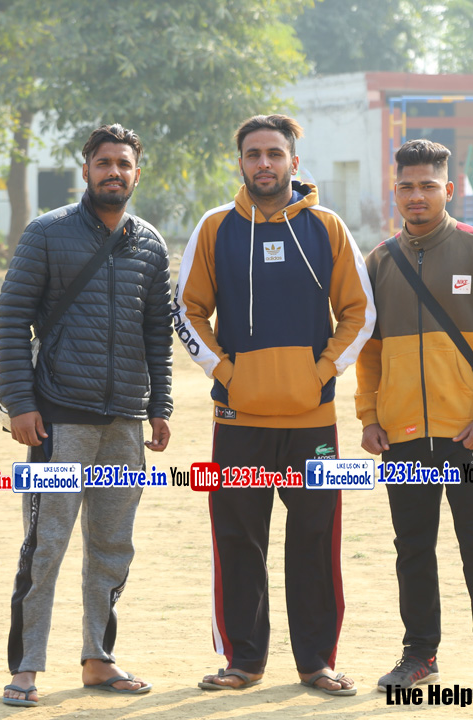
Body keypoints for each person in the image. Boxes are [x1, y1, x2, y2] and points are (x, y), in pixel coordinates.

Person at [174, 114, 375, 696]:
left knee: (315, 541)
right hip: (238, 419)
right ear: (240, 162)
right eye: (253, 154)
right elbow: (187, 311)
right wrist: (226, 372)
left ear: (293, 161)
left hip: (313, 421)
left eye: (275, 153)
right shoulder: (215, 227)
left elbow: (360, 312)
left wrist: (322, 372)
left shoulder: (327, 227)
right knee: (238, 540)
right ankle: (243, 661)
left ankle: (316, 663)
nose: (264, 163)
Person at [0, 124, 173, 707]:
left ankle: (99, 658)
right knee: (45, 545)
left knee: (113, 545)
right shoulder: (47, 233)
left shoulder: (150, 244)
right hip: (58, 421)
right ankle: (26, 668)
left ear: (136, 172)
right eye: (103, 162)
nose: (113, 172)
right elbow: (10, 319)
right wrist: (22, 403)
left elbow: (157, 335)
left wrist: (160, 407)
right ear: (87, 169)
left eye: (123, 163)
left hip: (124, 423)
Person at [356, 139, 473, 693]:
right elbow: (369, 352)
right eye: (406, 186)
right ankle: (419, 655)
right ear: (394, 192)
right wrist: (369, 417)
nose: (417, 196)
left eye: (428, 185)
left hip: (470, 434)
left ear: (448, 189)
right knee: (412, 549)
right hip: (401, 436)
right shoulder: (379, 262)